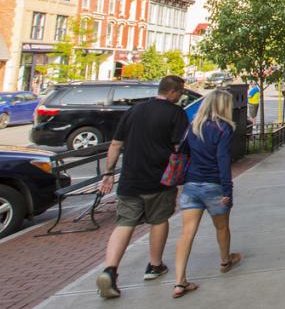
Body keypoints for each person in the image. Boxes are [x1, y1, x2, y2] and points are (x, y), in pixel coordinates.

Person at [96, 76, 190, 299]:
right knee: (158, 220)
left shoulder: (134, 110)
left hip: (130, 178)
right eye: (180, 93)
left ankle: (110, 269)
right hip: (159, 179)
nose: (180, 97)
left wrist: (108, 173)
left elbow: (116, 144)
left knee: (124, 223)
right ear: (173, 92)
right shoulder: (175, 113)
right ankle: (154, 265)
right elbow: (180, 146)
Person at [171, 89, 242, 298]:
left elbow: (182, 153)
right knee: (221, 226)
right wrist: (227, 189)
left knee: (186, 232)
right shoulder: (224, 128)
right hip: (214, 185)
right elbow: (223, 159)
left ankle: (179, 281)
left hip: (192, 184)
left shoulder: (193, 126)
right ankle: (224, 260)